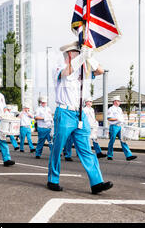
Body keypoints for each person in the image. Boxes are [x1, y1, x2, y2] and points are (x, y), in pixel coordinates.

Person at [47, 41, 112, 194]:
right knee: (58, 147)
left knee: (86, 149)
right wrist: (83, 57)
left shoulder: (83, 71)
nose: (79, 54)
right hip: (64, 113)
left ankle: (97, 182)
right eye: (77, 52)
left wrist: (90, 57)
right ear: (70, 55)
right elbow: (67, 72)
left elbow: (100, 71)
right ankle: (53, 179)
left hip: (80, 114)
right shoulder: (60, 68)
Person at [106, 96, 137, 161]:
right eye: (118, 101)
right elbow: (109, 118)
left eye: (119, 101)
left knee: (123, 140)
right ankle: (109, 155)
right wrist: (117, 119)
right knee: (112, 141)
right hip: (114, 126)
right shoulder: (111, 109)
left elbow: (122, 118)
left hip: (120, 126)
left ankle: (128, 155)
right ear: (114, 101)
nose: (119, 102)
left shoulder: (119, 109)